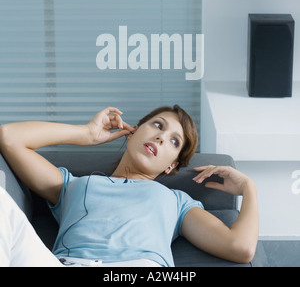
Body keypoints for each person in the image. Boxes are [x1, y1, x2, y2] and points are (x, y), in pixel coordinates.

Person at [0, 105, 258, 267]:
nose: (160, 136)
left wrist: (249, 189)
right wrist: (86, 134)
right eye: (158, 125)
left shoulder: (177, 201)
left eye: (173, 141)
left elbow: (240, 248)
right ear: (133, 131)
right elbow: (9, 137)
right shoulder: (74, 186)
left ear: (172, 165)